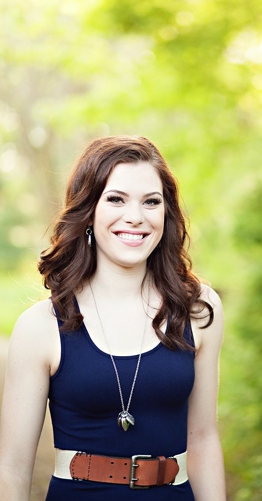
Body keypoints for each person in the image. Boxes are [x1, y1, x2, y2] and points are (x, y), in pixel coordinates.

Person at [0, 136, 226, 500]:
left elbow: (203, 439)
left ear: (165, 213)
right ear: (89, 211)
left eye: (151, 202)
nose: (135, 217)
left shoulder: (199, 310)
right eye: (116, 199)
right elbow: (11, 469)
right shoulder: (39, 326)